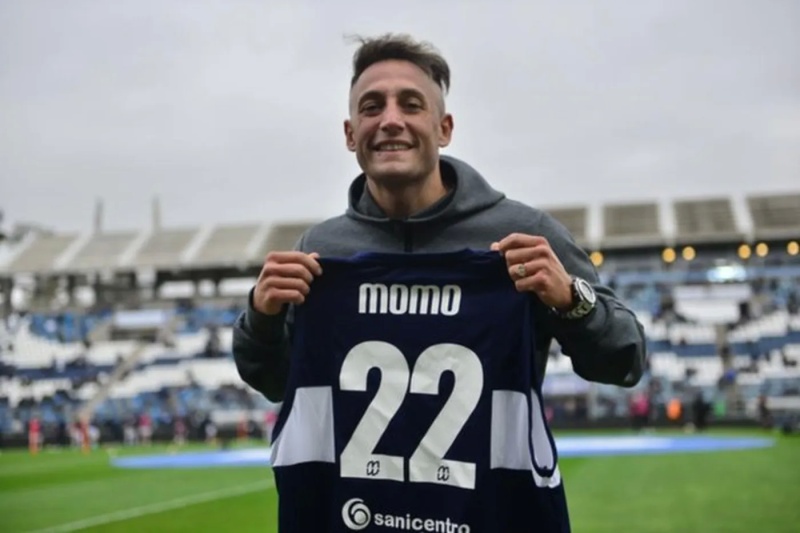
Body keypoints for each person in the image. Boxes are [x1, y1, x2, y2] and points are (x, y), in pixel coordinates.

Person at [234, 33, 646, 533]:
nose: (390, 120)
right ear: (350, 133)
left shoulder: (525, 234)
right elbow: (277, 383)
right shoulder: (321, 250)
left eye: (411, 104)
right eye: (371, 107)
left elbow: (625, 359)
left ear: (444, 127)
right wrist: (261, 316)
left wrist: (570, 300)